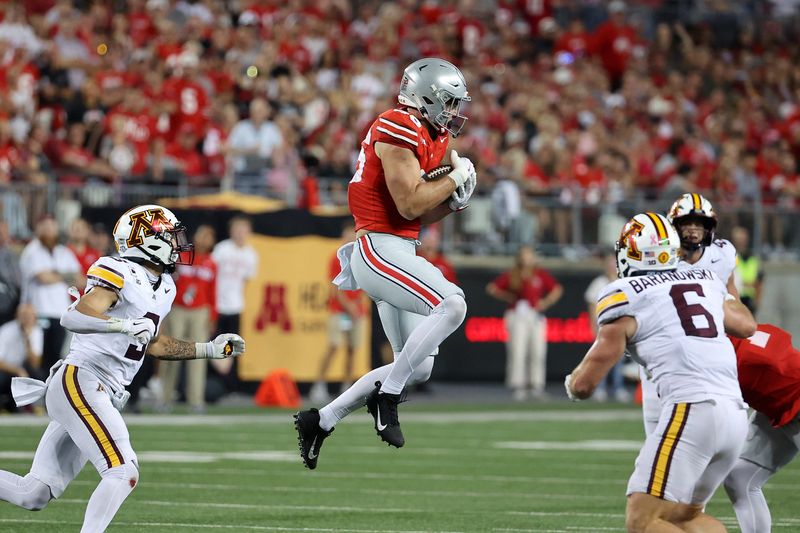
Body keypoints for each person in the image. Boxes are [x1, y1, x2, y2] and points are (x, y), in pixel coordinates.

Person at [0, 204, 245, 533]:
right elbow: (72, 316)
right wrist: (123, 325)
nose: (177, 244)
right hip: (82, 379)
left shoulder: (165, 286)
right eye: (170, 237)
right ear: (146, 239)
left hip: (100, 389)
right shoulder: (118, 269)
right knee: (123, 471)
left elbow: (153, 343)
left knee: (35, 493)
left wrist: (209, 349)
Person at [294, 57, 476, 468]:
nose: (453, 112)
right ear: (426, 96)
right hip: (378, 248)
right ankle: (388, 397)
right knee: (453, 304)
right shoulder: (398, 123)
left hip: (398, 248)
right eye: (448, 102)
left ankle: (321, 420)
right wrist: (453, 179)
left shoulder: (432, 136)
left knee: (418, 367)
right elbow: (409, 201)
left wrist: (453, 202)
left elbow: (418, 213)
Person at [565, 212, 756, 533]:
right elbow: (746, 325)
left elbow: (585, 385)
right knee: (686, 517)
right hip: (735, 415)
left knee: (642, 522)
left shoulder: (625, 292)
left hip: (693, 409)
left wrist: (571, 383)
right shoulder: (705, 279)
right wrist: (727, 289)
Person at [635, 192, 751, 436]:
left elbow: (733, 299)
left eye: (699, 223)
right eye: (686, 223)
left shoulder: (722, 254)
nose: (692, 229)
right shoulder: (658, 257)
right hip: (666, 353)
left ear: (710, 228)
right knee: (657, 433)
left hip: (706, 351)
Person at [722, 323, 800, 533]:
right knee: (740, 478)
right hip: (778, 404)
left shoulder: (716, 353)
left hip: (794, 399)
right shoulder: (740, 330)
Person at [487, 246, 563, 400]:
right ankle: (518, 385)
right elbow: (492, 288)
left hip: (535, 315)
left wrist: (546, 302)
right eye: (525, 255)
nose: (527, 258)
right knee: (518, 350)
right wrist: (507, 297)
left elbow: (557, 289)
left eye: (530, 255)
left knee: (538, 351)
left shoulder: (540, 274)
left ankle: (536, 385)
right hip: (517, 314)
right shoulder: (513, 274)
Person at [159, 224, 218, 413]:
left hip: (200, 311)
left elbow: (213, 292)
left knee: (198, 355)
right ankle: (165, 398)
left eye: (209, 236)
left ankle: (196, 400)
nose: (205, 239)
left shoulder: (211, 263)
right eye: (202, 234)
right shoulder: (182, 256)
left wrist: (213, 316)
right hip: (177, 309)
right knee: (170, 352)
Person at [308, 222, 367, 404]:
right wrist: (349, 306)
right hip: (338, 310)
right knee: (333, 346)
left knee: (351, 349)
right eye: (347, 234)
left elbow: (365, 284)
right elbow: (334, 288)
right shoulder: (336, 258)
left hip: (356, 311)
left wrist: (356, 306)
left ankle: (347, 386)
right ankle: (319, 384)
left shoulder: (361, 257)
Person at [19, 216, 84, 370]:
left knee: (57, 356)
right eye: (45, 227)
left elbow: (81, 280)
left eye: (52, 227)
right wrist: (67, 276)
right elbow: (43, 278)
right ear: (38, 229)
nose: (49, 231)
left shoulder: (64, 252)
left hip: (60, 313)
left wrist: (55, 273)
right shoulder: (32, 250)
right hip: (37, 312)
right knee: (38, 357)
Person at [211, 216, 258, 380]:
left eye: (243, 230)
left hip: (235, 306)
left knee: (234, 346)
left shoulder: (251, 254)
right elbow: (211, 274)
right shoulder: (222, 249)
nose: (240, 233)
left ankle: (230, 383)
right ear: (231, 231)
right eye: (237, 229)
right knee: (213, 344)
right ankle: (212, 381)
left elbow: (245, 281)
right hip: (217, 305)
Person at [584, 251, 629, 402]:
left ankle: (618, 387)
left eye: (613, 263)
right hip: (603, 327)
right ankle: (600, 389)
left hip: (620, 326)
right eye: (609, 263)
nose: (611, 266)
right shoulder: (599, 283)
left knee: (618, 360)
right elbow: (592, 305)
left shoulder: (624, 281)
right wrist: (593, 326)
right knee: (600, 361)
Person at [0, 304, 44, 411]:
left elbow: (35, 363)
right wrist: (18, 370)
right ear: (17, 316)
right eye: (24, 315)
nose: (27, 319)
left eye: (30, 316)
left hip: (24, 369)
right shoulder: (6, 330)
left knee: (38, 374)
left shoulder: (36, 331)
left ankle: (33, 405)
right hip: (7, 369)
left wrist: (28, 340)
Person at [730, 226, 763, 315]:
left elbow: (759, 281)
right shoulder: (730, 257)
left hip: (749, 301)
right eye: (738, 238)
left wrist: (757, 301)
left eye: (743, 238)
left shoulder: (753, 259)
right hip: (735, 299)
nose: (741, 241)